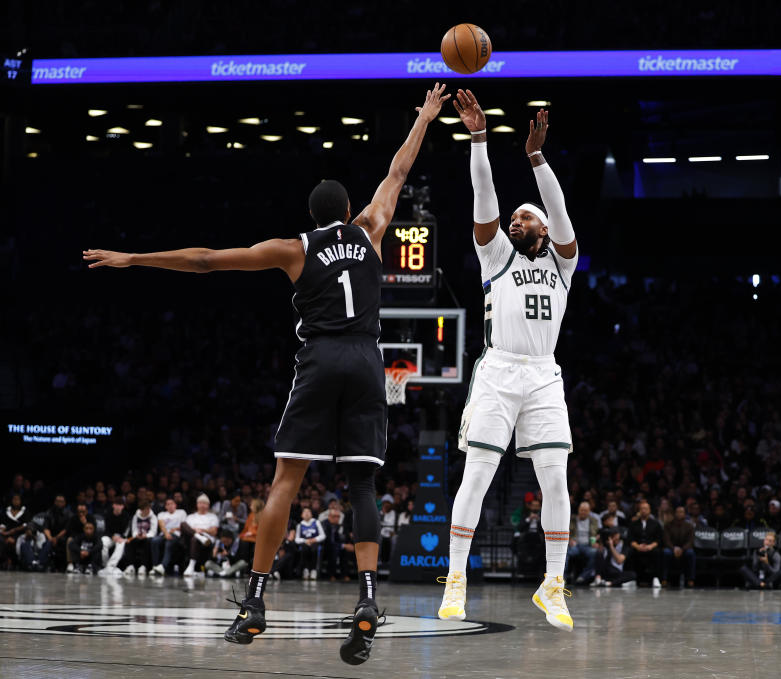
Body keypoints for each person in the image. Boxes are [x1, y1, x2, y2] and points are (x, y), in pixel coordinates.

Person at [84, 83, 449, 664]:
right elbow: (399, 171)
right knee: (362, 484)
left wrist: (132, 259)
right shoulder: (373, 229)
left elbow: (206, 260)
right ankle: (368, 597)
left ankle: (255, 600)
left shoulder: (293, 248)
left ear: (312, 215)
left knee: (286, 480)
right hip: (366, 360)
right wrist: (426, 117)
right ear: (349, 211)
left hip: (322, 358)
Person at [440, 92, 579, 633]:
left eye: (525, 217)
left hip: (544, 373)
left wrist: (537, 159)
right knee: (477, 475)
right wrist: (479, 140)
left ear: (543, 229)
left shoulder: (564, 262)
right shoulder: (496, 254)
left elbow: (562, 211)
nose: (515, 221)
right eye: (515, 217)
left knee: (557, 482)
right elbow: (484, 197)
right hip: (498, 370)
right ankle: (455, 579)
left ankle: (554, 585)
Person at [626, 500, 663, 588]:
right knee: (630, 552)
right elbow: (630, 538)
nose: (644, 510)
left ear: (649, 510)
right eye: (642, 509)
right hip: (637, 547)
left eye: (646, 509)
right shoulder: (633, 523)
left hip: (651, 547)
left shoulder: (655, 524)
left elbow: (659, 539)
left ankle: (656, 578)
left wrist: (650, 546)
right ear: (639, 510)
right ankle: (632, 579)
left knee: (657, 552)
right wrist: (637, 546)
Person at [181, 494, 219, 576]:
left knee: (195, 539)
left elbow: (214, 532)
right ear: (197, 504)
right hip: (191, 537)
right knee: (183, 524)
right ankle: (197, 535)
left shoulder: (212, 516)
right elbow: (185, 528)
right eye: (200, 503)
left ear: (208, 505)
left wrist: (203, 530)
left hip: (206, 540)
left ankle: (191, 566)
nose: (202, 505)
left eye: (204, 503)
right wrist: (195, 532)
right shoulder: (191, 516)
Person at [151, 497, 187, 576]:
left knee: (169, 543)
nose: (170, 506)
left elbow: (184, 526)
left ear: (175, 505)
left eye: (172, 504)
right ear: (165, 506)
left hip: (177, 534)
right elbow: (161, 524)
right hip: (164, 534)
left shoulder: (181, 512)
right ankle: (155, 566)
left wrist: (176, 528)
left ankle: (163, 566)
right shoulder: (162, 514)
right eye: (168, 504)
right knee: (154, 541)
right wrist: (166, 533)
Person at [119, 500, 157, 576]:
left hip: (148, 537)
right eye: (144, 509)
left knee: (146, 543)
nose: (146, 511)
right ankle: (130, 566)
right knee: (130, 542)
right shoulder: (136, 516)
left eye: (147, 509)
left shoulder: (153, 517)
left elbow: (153, 531)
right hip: (138, 536)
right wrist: (137, 535)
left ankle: (143, 566)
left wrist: (145, 536)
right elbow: (134, 529)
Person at [662, 506, 696, 587]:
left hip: (684, 549)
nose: (679, 514)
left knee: (691, 553)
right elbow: (666, 540)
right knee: (666, 553)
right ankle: (664, 579)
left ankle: (690, 579)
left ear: (685, 514)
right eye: (678, 512)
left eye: (681, 512)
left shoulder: (689, 526)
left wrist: (682, 549)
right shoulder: (668, 525)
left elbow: (691, 541)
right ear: (675, 513)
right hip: (671, 548)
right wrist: (674, 548)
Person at [567, 501, 599, 581]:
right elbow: (567, 532)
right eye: (582, 510)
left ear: (589, 511)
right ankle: (564, 576)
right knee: (566, 553)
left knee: (595, 552)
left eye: (585, 510)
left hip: (588, 545)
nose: (583, 512)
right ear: (578, 510)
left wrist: (595, 541)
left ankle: (583, 576)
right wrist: (570, 540)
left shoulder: (593, 520)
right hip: (575, 545)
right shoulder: (572, 519)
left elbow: (596, 534)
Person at [295, 506, 325, 579]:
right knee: (305, 549)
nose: (306, 513)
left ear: (311, 514)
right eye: (304, 512)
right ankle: (306, 569)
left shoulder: (316, 522)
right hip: (305, 543)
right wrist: (305, 541)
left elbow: (323, 535)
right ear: (301, 515)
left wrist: (314, 539)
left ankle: (313, 570)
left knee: (314, 549)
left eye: (308, 512)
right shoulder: (300, 525)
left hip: (315, 542)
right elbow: (297, 539)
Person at [2, 494, 30, 569]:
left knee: (13, 541)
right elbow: (3, 524)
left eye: (17, 499)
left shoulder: (24, 511)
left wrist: (13, 531)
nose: (16, 501)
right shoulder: (7, 510)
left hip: (19, 532)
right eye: (14, 499)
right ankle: (5, 561)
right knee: (2, 540)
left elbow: (25, 525)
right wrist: (2, 531)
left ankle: (15, 562)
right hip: (7, 532)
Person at [236, 499, 264, 567]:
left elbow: (262, 530)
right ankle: (243, 564)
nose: (250, 506)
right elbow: (246, 528)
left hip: (257, 537)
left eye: (252, 505)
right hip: (249, 536)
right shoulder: (251, 515)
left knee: (247, 543)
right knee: (241, 541)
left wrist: (252, 533)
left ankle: (248, 564)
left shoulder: (263, 516)